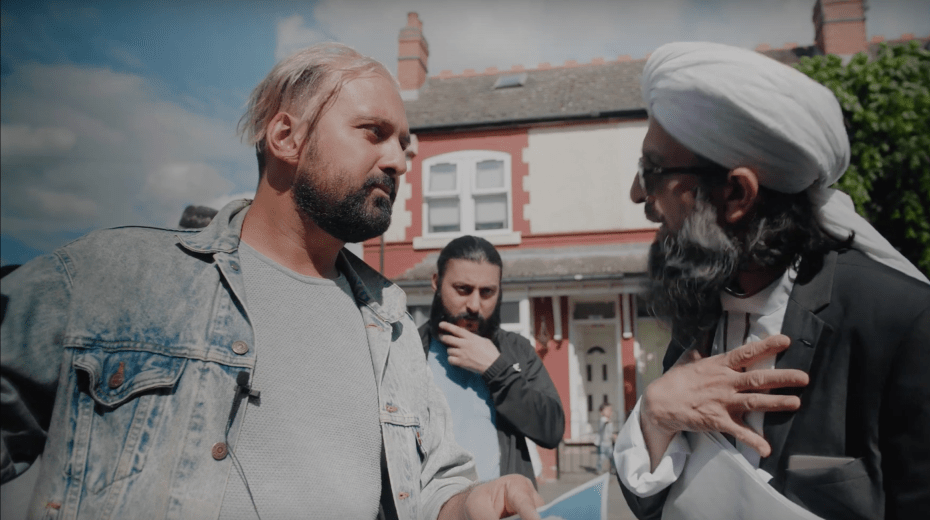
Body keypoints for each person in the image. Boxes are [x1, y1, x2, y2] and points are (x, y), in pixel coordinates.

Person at [0, 43, 542, 520]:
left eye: (403, 143)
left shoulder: (394, 324)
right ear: (286, 136)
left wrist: (468, 506)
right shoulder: (113, 276)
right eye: (374, 133)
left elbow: (428, 488)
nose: (399, 160)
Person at [614, 41, 930, 520]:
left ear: (736, 193)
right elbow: (655, 502)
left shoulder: (912, 329)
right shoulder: (699, 314)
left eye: (654, 170)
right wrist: (653, 417)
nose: (638, 193)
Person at [419, 235, 564, 486]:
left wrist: (497, 370)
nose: (474, 305)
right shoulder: (409, 349)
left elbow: (551, 430)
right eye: (462, 289)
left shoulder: (516, 350)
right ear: (436, 282)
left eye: (487, 292)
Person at [596, 403, 616, 474]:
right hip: (602, 443)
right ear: (602, 412)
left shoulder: (609, 421)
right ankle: (599, 469)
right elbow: (604, 424)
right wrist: (607, 422)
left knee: (612, 457)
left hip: (609, 443)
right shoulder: (603, 420)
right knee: (601, 457)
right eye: (607, 410)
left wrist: (613, 436)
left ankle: (613, 469)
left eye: (610, 410)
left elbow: (609, 432)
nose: (609, 411)